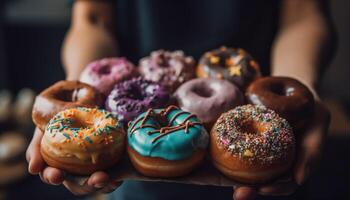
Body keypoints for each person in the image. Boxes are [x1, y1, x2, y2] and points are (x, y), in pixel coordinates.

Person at [26, 0, 334, 199]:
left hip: (266, 134)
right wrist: (79, 93)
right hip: (130, 147)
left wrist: (301, 97)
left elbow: (302, 15)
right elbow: (92, 17)